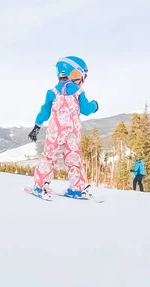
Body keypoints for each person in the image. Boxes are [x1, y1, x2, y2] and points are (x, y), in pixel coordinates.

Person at [27, 56, 99, 198]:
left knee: (49, 156)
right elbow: (86, 109)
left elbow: (44, 112)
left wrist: (37, 126)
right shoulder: (79, 92)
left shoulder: (52, 92)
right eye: (81, 75)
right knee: (73, 157)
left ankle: (40, 186)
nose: (82, 80)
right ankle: (77, 188)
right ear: (73, 73)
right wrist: (95, 105)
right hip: (73, 131)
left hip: (56, 131)